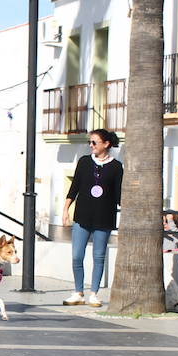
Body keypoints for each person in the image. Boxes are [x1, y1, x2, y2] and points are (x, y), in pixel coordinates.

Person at [62, 128, 122, 307]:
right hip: (82, 216)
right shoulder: (84, 162)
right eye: (90, 142)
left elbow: (119, 195)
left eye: (94, 142)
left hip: (104, 219)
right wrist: (66, 210)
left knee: (99, 256)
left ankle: (94, 293)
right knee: (76, 256)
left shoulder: (116, 167)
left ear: (106, 144)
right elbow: (74, 188)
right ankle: (78, 291)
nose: (91, 145)